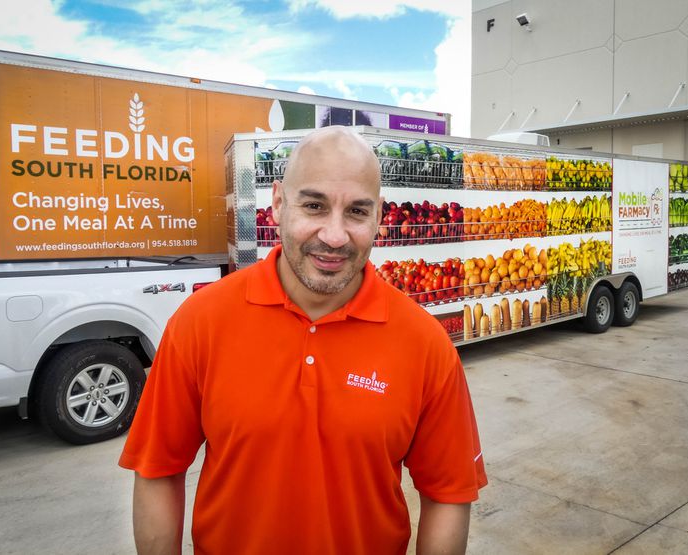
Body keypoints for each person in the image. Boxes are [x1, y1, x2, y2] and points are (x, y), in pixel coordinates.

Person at [119, 126, 487, 554]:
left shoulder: (425, 344)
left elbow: (448, 494)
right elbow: (157, 470)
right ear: (278, 203)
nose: (334, 236)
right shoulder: (200, 323)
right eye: (314, 205)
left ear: (379, 216)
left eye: (356, 212)